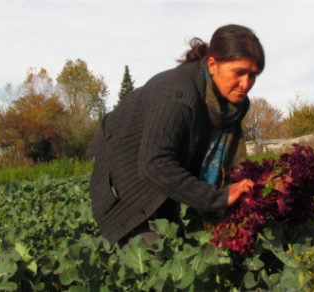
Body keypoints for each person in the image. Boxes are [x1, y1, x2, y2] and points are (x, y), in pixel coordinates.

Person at [86, 24, 264, 247]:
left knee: (174, 242)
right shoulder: (177, 94)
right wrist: (217, 199)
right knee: (155, 259)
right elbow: (154, 165)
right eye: (239, 72)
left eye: (253, 75)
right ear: (212, 65)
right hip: (124, 170)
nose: (246, 84)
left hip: (164, 163)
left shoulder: (230, 105)